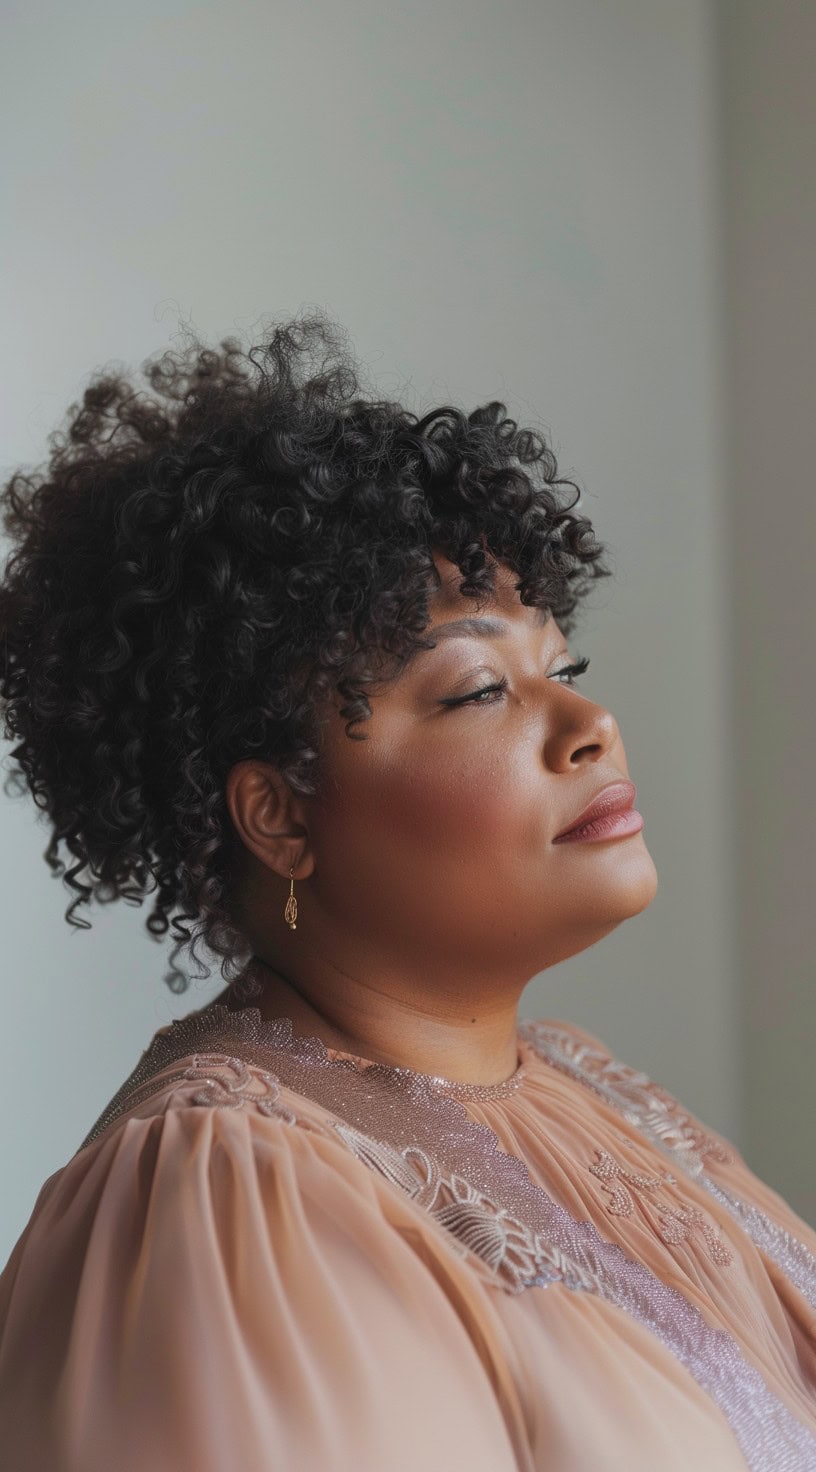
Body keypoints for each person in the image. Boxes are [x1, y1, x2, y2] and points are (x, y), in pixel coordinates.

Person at [0, 313, 813, 1472]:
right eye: (481, 689)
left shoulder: (599, 1091)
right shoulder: (234, 1192)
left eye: (563, 665)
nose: (592, 725)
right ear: (279, 815)